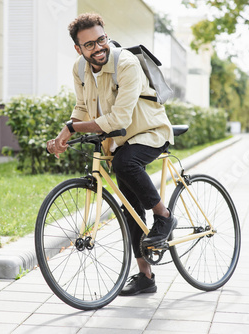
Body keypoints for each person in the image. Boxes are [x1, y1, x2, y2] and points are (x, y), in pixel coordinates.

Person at [46, 13, 177, 296]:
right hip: (119, 140)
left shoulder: (126, 64)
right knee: (128, 206)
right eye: (90, 44)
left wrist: (72, 129)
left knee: (125, 163)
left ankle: (164, 216)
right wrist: (62, 134)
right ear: (79, 49)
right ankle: (146, 277)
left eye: (101, 39)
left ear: (107, 36)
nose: (99, 47)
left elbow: (118, 118)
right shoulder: (80, 69)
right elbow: (81, 108)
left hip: (149, 132)